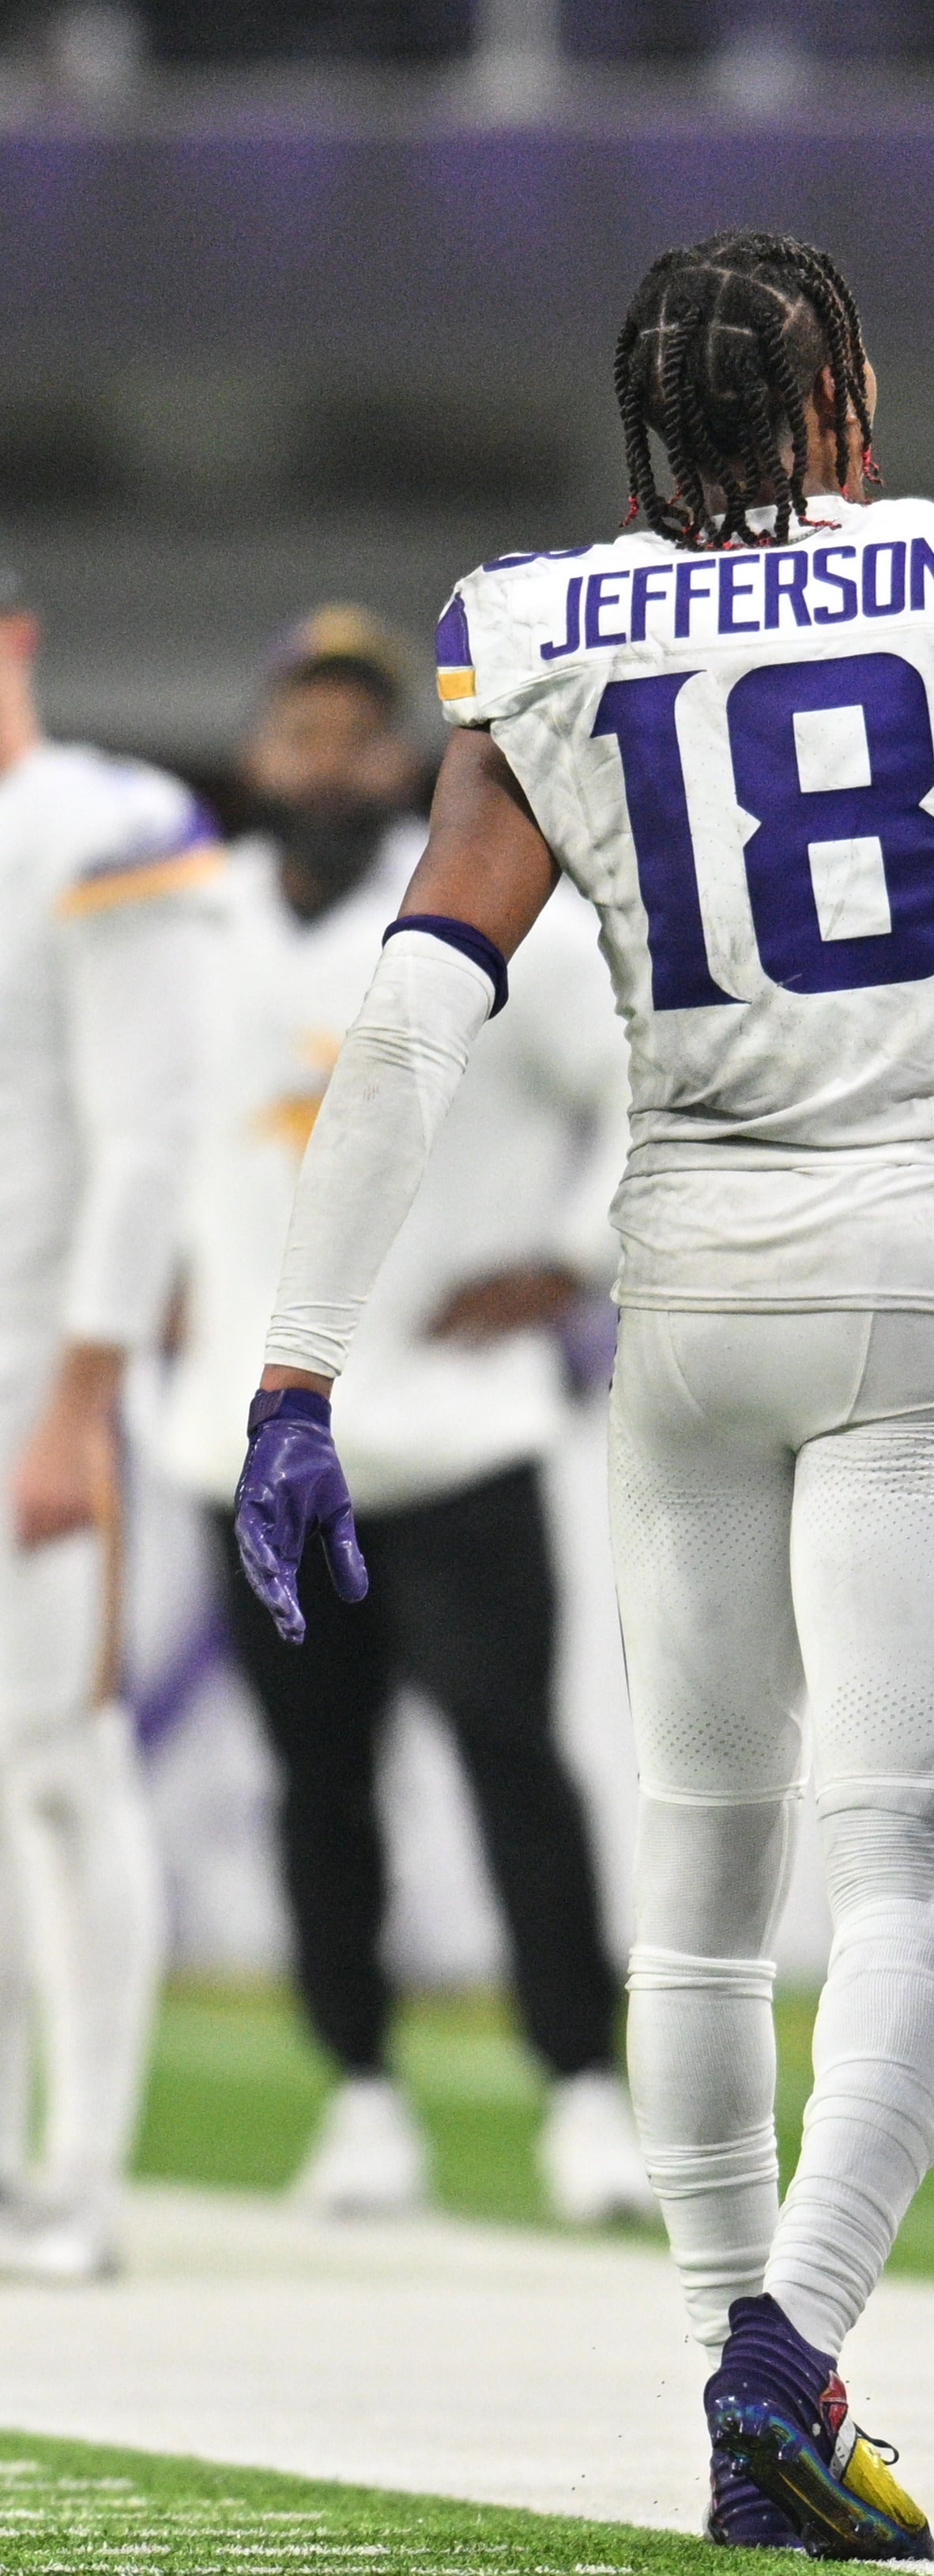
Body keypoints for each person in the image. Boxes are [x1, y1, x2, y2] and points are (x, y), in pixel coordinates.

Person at [224, 232, 934, 2557]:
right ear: (845, 406)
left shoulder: (543, 624)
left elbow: (420, 1015)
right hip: (929, 1281)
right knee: (907, 1873)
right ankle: (783, 2356)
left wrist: (297, 1372)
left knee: (697, 1900)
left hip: (684, 1295)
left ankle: (745, 2385)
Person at [160, 609, 650, 2233]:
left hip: (451, 1428)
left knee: (513, 1761)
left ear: (410, 757)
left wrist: (568, 1261)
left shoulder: (488, 907)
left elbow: (645, 1090)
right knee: (319, 1782)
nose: (336, 758)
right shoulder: (187, 928)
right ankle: (360, 2092)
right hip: (248, 1437)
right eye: (306, 727)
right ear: (256, 753)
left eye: (366, 732)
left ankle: (580, 2087)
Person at [0, 559, 218, 2286]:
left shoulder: (94, 823)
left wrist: (80, 1401)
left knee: (66, 1768)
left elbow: (151, 1140)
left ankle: (83, 2170)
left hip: (37, 1361)